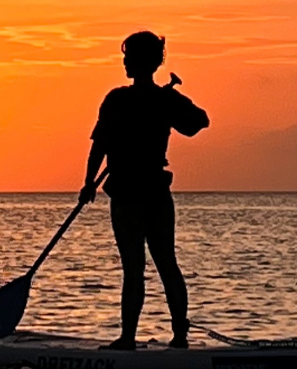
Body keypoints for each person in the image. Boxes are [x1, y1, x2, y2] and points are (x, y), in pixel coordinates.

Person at [79, 31, 209, 350]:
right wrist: (87, 183)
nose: (124, 62)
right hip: (133, 192)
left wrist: (170, 105)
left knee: (151, 265)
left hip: (141, 194)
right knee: (150, 265)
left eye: (129, 58)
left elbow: (199, 122)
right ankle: (143, 336)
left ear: (143, 62)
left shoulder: (153, 100)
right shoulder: (120, 100)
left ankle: (161, 336)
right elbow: (100, 145)